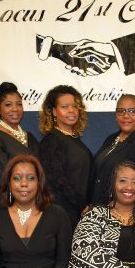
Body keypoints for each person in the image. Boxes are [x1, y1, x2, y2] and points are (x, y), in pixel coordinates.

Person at [0, 154, 71, 268]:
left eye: (31, 178)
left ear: (39, 183)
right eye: (17, 178)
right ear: (9, 183)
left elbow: (64, 263)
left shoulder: (58, 214)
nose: (24, 183)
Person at [0, 82, 40, 217]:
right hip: (5, 211)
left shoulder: (30, 138)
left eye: (19, 104)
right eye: (8, 105)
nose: (15, 109)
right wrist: (16, 209)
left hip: (32, 208)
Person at [39, 85, 92, 228]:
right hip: (64, 216)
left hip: (79, 213)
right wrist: (82, 206)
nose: (71, 111)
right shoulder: (51, 141)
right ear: (54, 112)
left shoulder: (73, 138)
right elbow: (58, 181)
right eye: (65, 106)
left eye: (75, 106)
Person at [90, 94, 135, 206]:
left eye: (132, 111)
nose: (126, 116)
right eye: (121, 111)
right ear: (116, 115)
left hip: (123, 214)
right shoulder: (111, 139)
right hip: (100, 209)